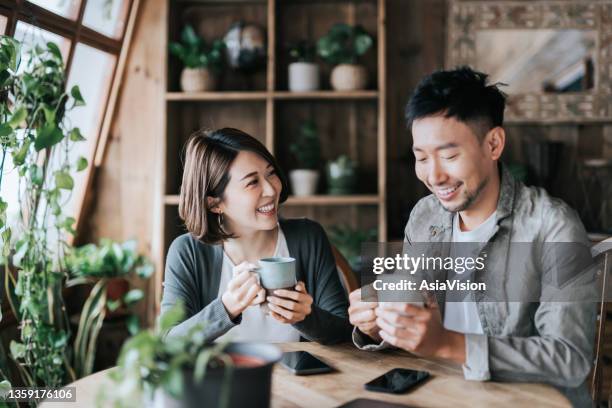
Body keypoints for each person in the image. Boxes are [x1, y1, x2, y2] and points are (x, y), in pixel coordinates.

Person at [348, 67, 597, 406]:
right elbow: (412, 316)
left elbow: (570, 359)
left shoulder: (552, 225)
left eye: (449, 156)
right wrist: (377, 325)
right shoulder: (425, 215)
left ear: (493, 144)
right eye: (421, 158)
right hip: (438, 393)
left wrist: (448, 344)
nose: (433, 175)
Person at [161, 127, 351, 344]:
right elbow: (167, 343)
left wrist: (305, 317)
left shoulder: (308, 237)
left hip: (299, 379)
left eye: (270, 173)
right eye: (252, 182)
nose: (271, 190)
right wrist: (226, 307)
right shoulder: (188, 252)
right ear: (214, 203)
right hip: (220, 378)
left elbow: (345, 334)